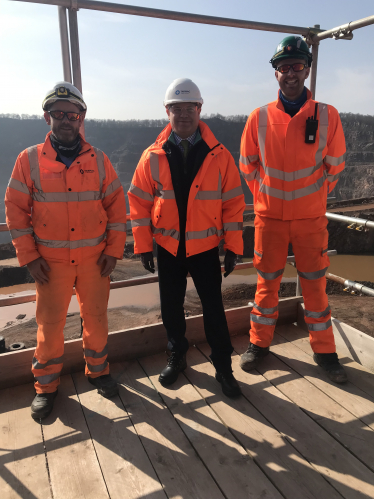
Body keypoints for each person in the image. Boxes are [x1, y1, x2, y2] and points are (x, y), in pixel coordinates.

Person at [5, 82, 127, 420]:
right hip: (51, 263)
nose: (65, 120)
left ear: (81, 118)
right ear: (47, 118)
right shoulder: (28, 160)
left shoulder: (100, 161)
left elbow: (117, 208)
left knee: (97, 318)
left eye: (71, 114)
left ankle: (99, 372)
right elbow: (15, 211)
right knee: (49, 324)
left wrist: (114, 252)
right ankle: (45, 388)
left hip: (94, 261)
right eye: (57, 113)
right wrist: (29, 257)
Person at [239, 36, 347, 383]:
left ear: (307, 70)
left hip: (309, 220)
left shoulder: (327, 117)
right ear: (276, 73)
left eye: (297, 66)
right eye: (283, 67)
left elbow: (335, 166)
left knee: (315, 285)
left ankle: (326, 352)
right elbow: (248, 165)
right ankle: (259, 345)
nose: (290, 73)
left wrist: (310, 198)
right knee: (266, 283)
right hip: (269, 219)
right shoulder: (258, 118)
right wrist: (267, 197)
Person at [128, 78, 245, 397]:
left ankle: (223, 368)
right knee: (171, 308)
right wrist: (143, 243)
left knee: (214, 311)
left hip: (206, 248)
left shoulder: (219, 156)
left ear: (200, 109)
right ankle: (177, 356)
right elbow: (138, 200)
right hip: (167, 247)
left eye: (189, 108)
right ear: (167, 111)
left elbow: (234, 202)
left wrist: (233, 246)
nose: (183, 115)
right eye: (176, 109)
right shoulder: (152, 155)